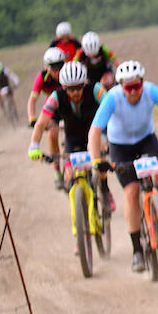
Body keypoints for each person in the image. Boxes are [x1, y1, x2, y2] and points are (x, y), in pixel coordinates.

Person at [88, 60, 158, 273]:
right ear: (121, 86)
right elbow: (95, 130)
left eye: (137, 86)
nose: (134, 91)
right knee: (131, 192)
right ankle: (137, 250)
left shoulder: (151, 91)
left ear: (142, 83)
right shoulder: (112, 98)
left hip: (146, 139)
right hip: (120, 146)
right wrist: (96, 160)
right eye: (129, 88)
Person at [27, 61, 109, 208]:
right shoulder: (56, 97)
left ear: (84, 83)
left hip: (95, 135)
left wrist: (110, 138)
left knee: (101, 162)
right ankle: (79, 212)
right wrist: (34, 145)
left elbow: (113, 107)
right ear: (64, 87)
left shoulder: (95, 89)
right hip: (72, 138)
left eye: (79, 87)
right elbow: (40, 124)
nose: (76, 92)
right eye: (71, 89)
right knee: (70, 174)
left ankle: (104, 188)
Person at [27, 46, 67, 188]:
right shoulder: (41, 77)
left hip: (68, 106)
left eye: (60, 66)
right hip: (52, 108)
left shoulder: (68, 74)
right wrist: (32, 117)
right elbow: (32, 99)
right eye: (53, 68)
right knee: (53, 133)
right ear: (46, 67)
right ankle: (57, 171)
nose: (57, 71)